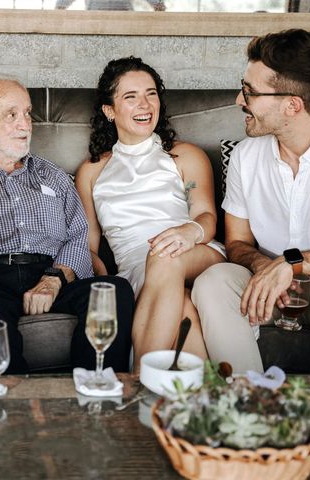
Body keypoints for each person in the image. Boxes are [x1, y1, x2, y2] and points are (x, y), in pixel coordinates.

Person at [0, 75, 134, 374]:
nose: (25, 124)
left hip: (47, 271)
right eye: (11, 115)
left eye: (27, 113)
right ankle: (12, 410)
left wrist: (53, 279)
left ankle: (94, 397)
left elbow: (78, 238)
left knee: (114, 290)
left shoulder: (53, 177)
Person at [191, 29, 310, 376]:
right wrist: (266, 268)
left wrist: (292, 265)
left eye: (250, 92)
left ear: (292, 104)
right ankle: (247, 407)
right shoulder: (246, 157)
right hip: (267, 286)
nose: (238, 100)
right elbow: (237, 243)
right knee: (214, 282)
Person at [75, 57, 225, 372]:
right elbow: (88, 244)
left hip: (195, 251)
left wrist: (189, 232)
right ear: (109, 110)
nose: (145, 104)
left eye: (151, 93)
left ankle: (140, 382)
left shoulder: (185, 156)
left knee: (164, 255)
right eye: (130, 97)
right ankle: (205, 397)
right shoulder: (90, 172)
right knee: (183, 308)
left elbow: (207, 217)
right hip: (133, 271)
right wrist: (103, 283)